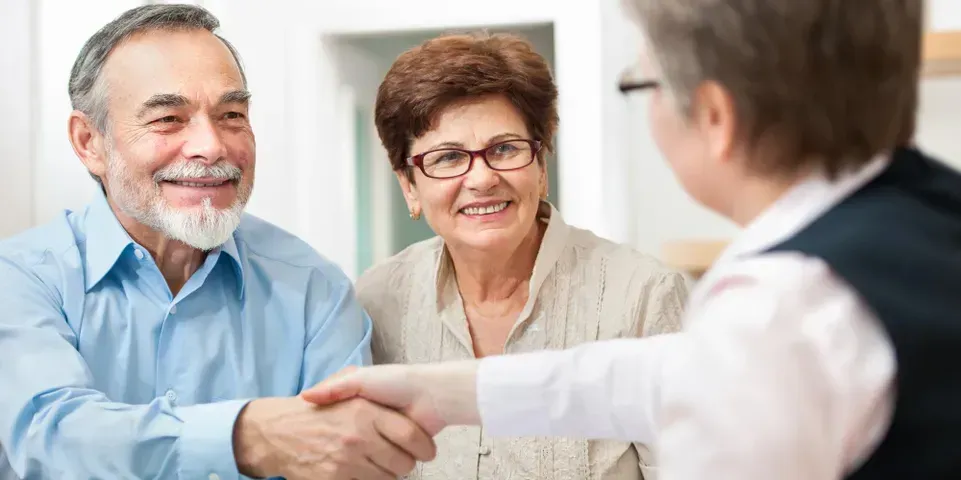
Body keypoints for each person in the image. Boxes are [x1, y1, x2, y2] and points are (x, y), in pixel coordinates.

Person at [304, 0, 961, 478]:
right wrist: (453, 394)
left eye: (640, 84)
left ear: (713, 116)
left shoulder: (774, 303)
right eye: (447, 158)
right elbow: (662, 377)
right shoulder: (929, 210)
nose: (478, 177)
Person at [0, 5, 433, 480]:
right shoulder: (20, 279)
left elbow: (350, 465)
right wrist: (245, 435)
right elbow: (48, 437)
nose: (211, 146)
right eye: (168, 118)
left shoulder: (315, 290)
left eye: (231, 114)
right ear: (89, 142)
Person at [352, 32, 688, 479]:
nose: (482, 178)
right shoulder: (374, 302)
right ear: (409, 186)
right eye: (449, 157)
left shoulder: (642, 296)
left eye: (505, 149)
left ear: (540, 166)